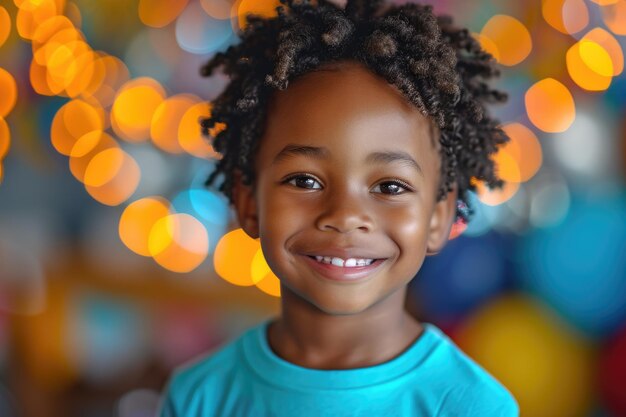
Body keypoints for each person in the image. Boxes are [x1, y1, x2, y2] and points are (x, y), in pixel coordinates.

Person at [158, 0, 518, 415]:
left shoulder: (470, 406)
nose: (345, 215)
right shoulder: (198, 397)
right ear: (247, 201)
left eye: (389, 185)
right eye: (305, 180)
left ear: (440, 216)